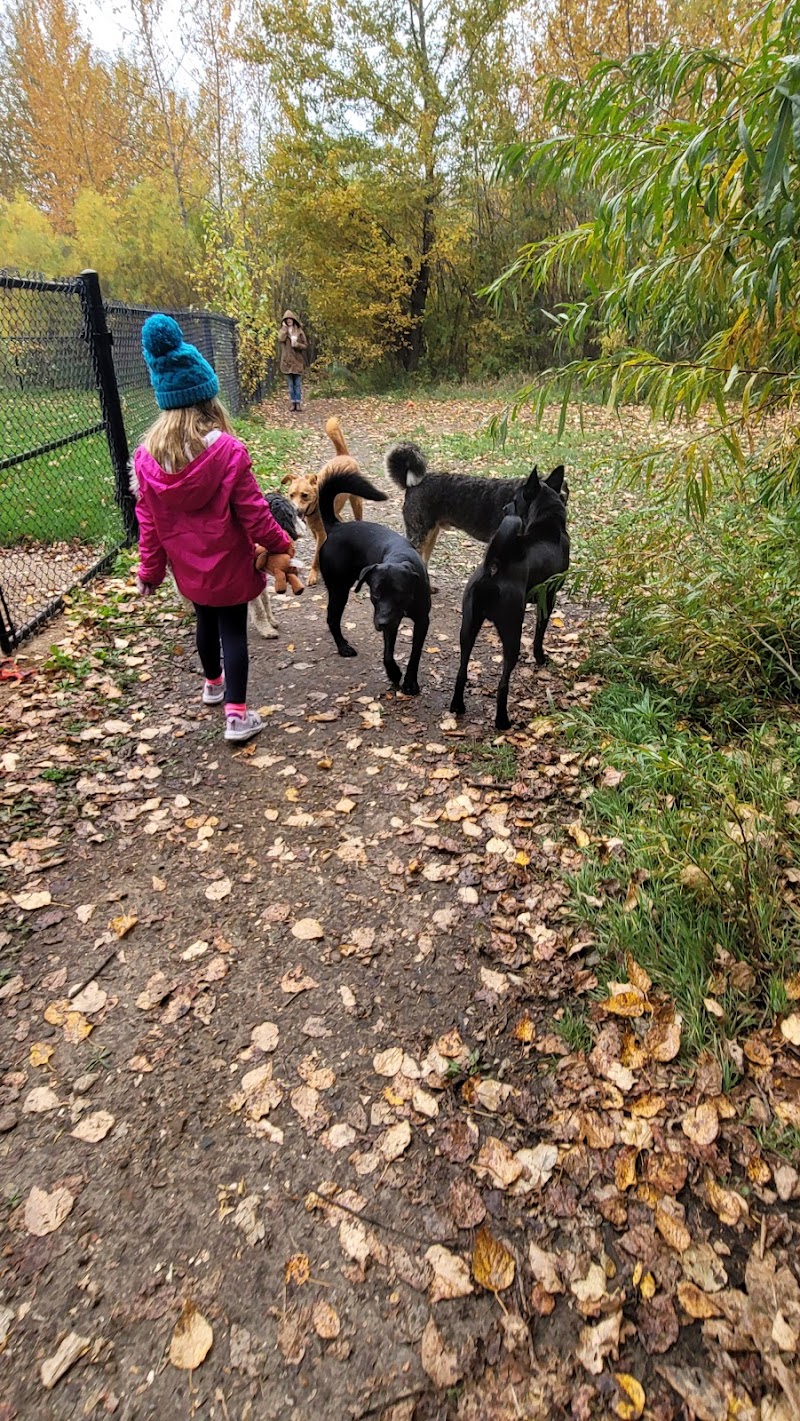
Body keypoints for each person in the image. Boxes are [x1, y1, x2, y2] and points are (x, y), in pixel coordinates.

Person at [132, 313, 291, 743]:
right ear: (208, 400)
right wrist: (281, 544)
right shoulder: (228, 452)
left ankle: (213, 684)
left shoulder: (147, 459)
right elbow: (255, 512)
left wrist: (150, 571)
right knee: (233, 630)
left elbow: (147, 523)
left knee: (204, 621)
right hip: (230, 564)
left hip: (189, 568)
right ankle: (237, 717)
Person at [278, 310, 307, 411]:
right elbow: (280, 338)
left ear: (294, 320)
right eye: (287, 319)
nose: (289, 321)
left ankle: (298, 403)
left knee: (297, 384)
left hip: (297, 361)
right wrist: (285, 329)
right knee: (290, 385)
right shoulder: (282, 331)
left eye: (290, 319)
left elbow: (305, 345)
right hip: (287, 362)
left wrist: (297, 345)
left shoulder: (299, 331)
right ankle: (292, 403)